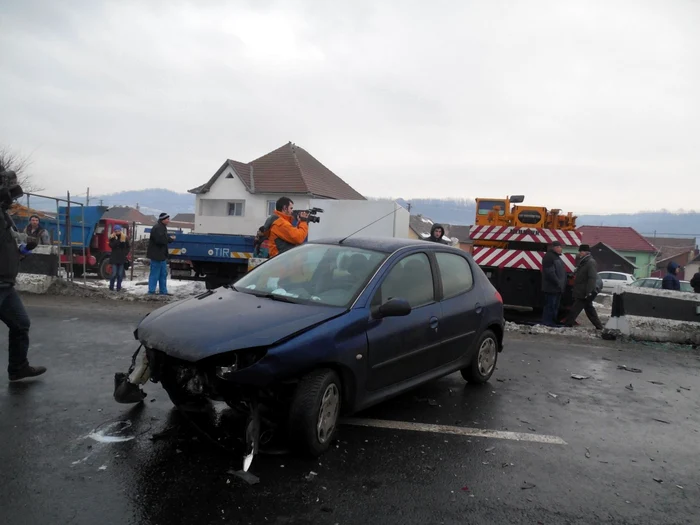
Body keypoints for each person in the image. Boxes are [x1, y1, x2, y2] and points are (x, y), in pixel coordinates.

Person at [0, 168, 46, 381]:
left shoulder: (4, 216)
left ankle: (18, 367)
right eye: (10, 192)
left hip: (6, 286)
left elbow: (9, 245)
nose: (12, 198)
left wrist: (23, 250)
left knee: (20, 324)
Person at [564, 244, 603, 330]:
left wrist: (589, 292)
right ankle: (599, 326)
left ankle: (568, 324)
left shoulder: (590, 262)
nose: (580, 253)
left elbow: (592, 278)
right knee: (589, 309)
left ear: (586, 252)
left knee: (575, 309)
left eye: (581, 251)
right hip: (582, 290)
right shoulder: (584, 262)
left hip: (584, 291)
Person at [147, 212, 175, 295]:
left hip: (162, 255)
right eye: (167, 219)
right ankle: (151, 291)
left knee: (163, 274)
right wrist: (169, 239)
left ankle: (163, 291)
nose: (168, 221)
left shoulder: (162, 227)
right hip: (156, 255)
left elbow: (164, 238)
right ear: (162, 219)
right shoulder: (158, 228)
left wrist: (170, 239)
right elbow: (160, 240)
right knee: (155, 274)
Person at [541, 241, 566, 326]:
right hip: (551, 287)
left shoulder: (556, 257)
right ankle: (548, 322)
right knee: (550, 305)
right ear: (555, 247)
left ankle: (553, 321)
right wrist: (558, 282)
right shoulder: (549, 257)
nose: (561, 249)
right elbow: (550, 272)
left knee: (555, 306)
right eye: (559, 247)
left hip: (557, 288)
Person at [108, 224, 130, 292]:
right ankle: (111, 287)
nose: (117, 232)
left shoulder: (124, 237)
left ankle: (118, 288)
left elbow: (128, 246)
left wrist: (125, 253)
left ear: (120, 231)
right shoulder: (112, 238)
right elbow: (111, 245)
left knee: (120, 275)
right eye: (116, 231)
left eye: (118, 231)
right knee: (114, 274)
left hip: (121, 258)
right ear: (114, 231)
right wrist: (117, 240)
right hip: (114, 258)